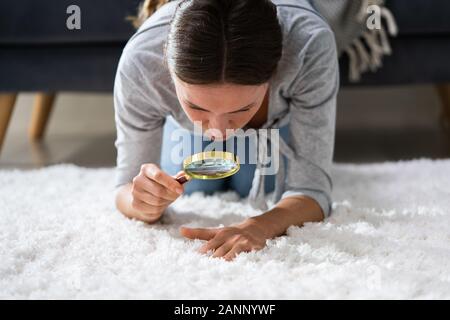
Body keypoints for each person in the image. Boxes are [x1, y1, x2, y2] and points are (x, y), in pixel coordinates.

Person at [114, 0, 338, 260]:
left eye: (242, 108)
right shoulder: (142, 61)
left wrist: (260, 225)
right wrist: (144, 204)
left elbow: (312, 191)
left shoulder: (309, 45)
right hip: (183, 128)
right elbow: (124, 187)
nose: (218, 132)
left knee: (256, 184)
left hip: (274, 128)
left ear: (276, 71)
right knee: (199, 189)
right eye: (195, 106)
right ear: (167, 71)